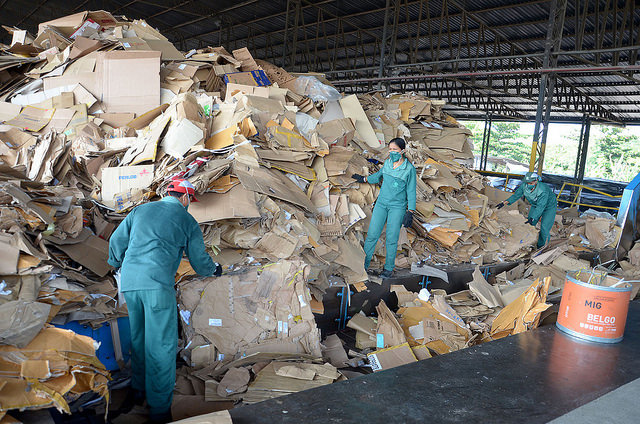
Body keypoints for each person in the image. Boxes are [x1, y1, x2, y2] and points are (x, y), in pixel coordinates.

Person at [108, 178, 221, 424]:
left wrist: (115, 263)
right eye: (190, 200)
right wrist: (214, 270)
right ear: (185, 198)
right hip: (156, 285)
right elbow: (199, 260)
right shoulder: (186, 220)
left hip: (130, 283)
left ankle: (138, 390)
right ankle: (159, 410)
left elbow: (117, 242)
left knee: (140, 338)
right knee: (161, 345)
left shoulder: (141, 210)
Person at [352, 138, 417, 279]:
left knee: (392, 238)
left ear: (403, 151)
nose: (391, 152)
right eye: (390, 149)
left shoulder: (409, 169)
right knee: (372, 235)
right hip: (381, 204)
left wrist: (410, 211)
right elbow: (377, 177)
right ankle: (363, 266)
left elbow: (411, 191)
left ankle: (388, 269)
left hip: (397, 207)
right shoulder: (387, 163)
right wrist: (363, 179)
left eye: (395, 150)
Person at [498, 171, 557, 249]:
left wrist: (534, 217)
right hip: (535, 205)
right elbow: (516, 195)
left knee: (544, 228)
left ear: (536, 181)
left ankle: (542, 247)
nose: (529, 184)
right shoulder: (524, 186)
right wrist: (504, 202)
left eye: (531, 183)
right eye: (527, 183)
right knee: (529, 224)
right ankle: (528, 243)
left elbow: (541, 206)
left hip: (549, 207)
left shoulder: (543, 190)